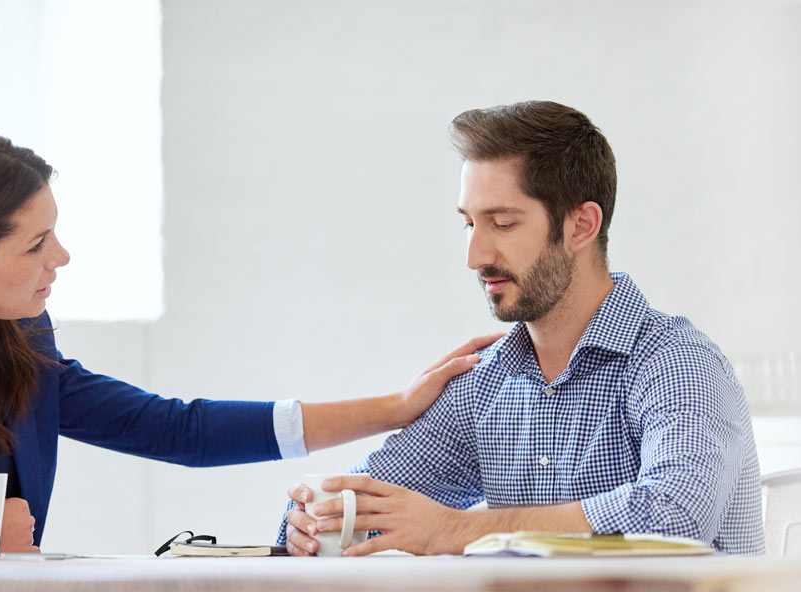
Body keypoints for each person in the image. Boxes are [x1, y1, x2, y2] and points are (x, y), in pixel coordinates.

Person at [0, 130, 497, 552]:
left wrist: (397, 407)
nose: (60, 258)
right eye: (37, 243)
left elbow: (175, 427)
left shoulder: (13, 331)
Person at [280, 101, 764, 556]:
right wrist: (310, 521)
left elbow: (675, 515)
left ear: (580, 226)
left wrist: (455, 529)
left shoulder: (677, 362)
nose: (475, 256)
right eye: (469, 223)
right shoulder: (482, 385)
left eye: (503, 223)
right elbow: (361, 502)